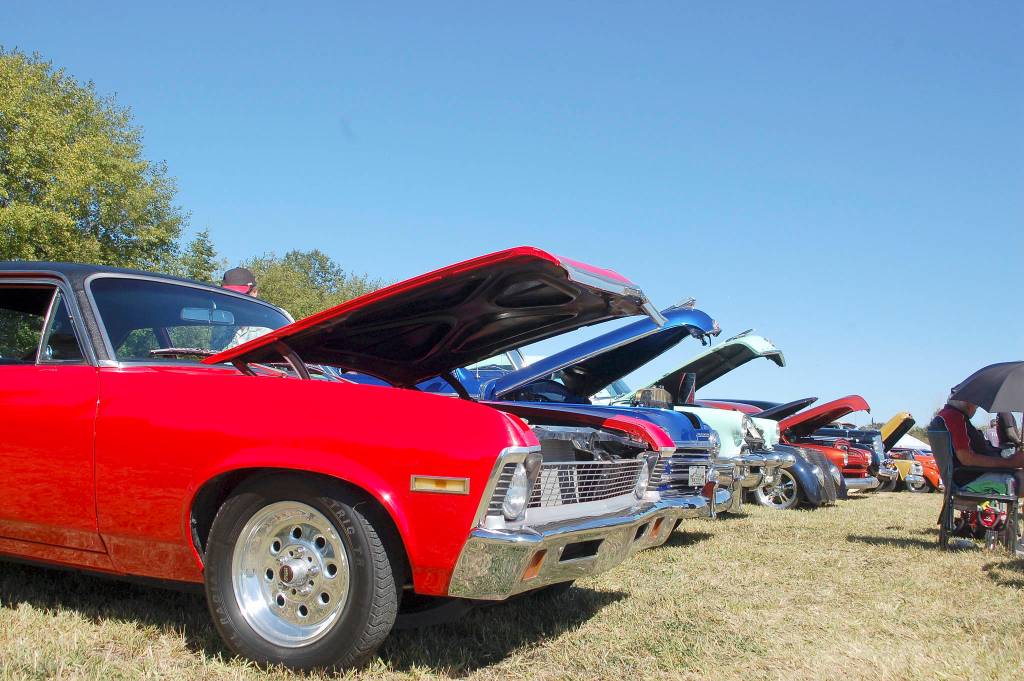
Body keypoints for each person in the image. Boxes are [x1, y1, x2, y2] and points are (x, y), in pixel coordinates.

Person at [931, 398, 1024, 494]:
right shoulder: (955, 418)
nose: (976, 409)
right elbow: (966, 458)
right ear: (968, 403)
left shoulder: (946, 415)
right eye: (977, 406)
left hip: (966, 477)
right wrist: (1010, 462)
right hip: (972, 482)